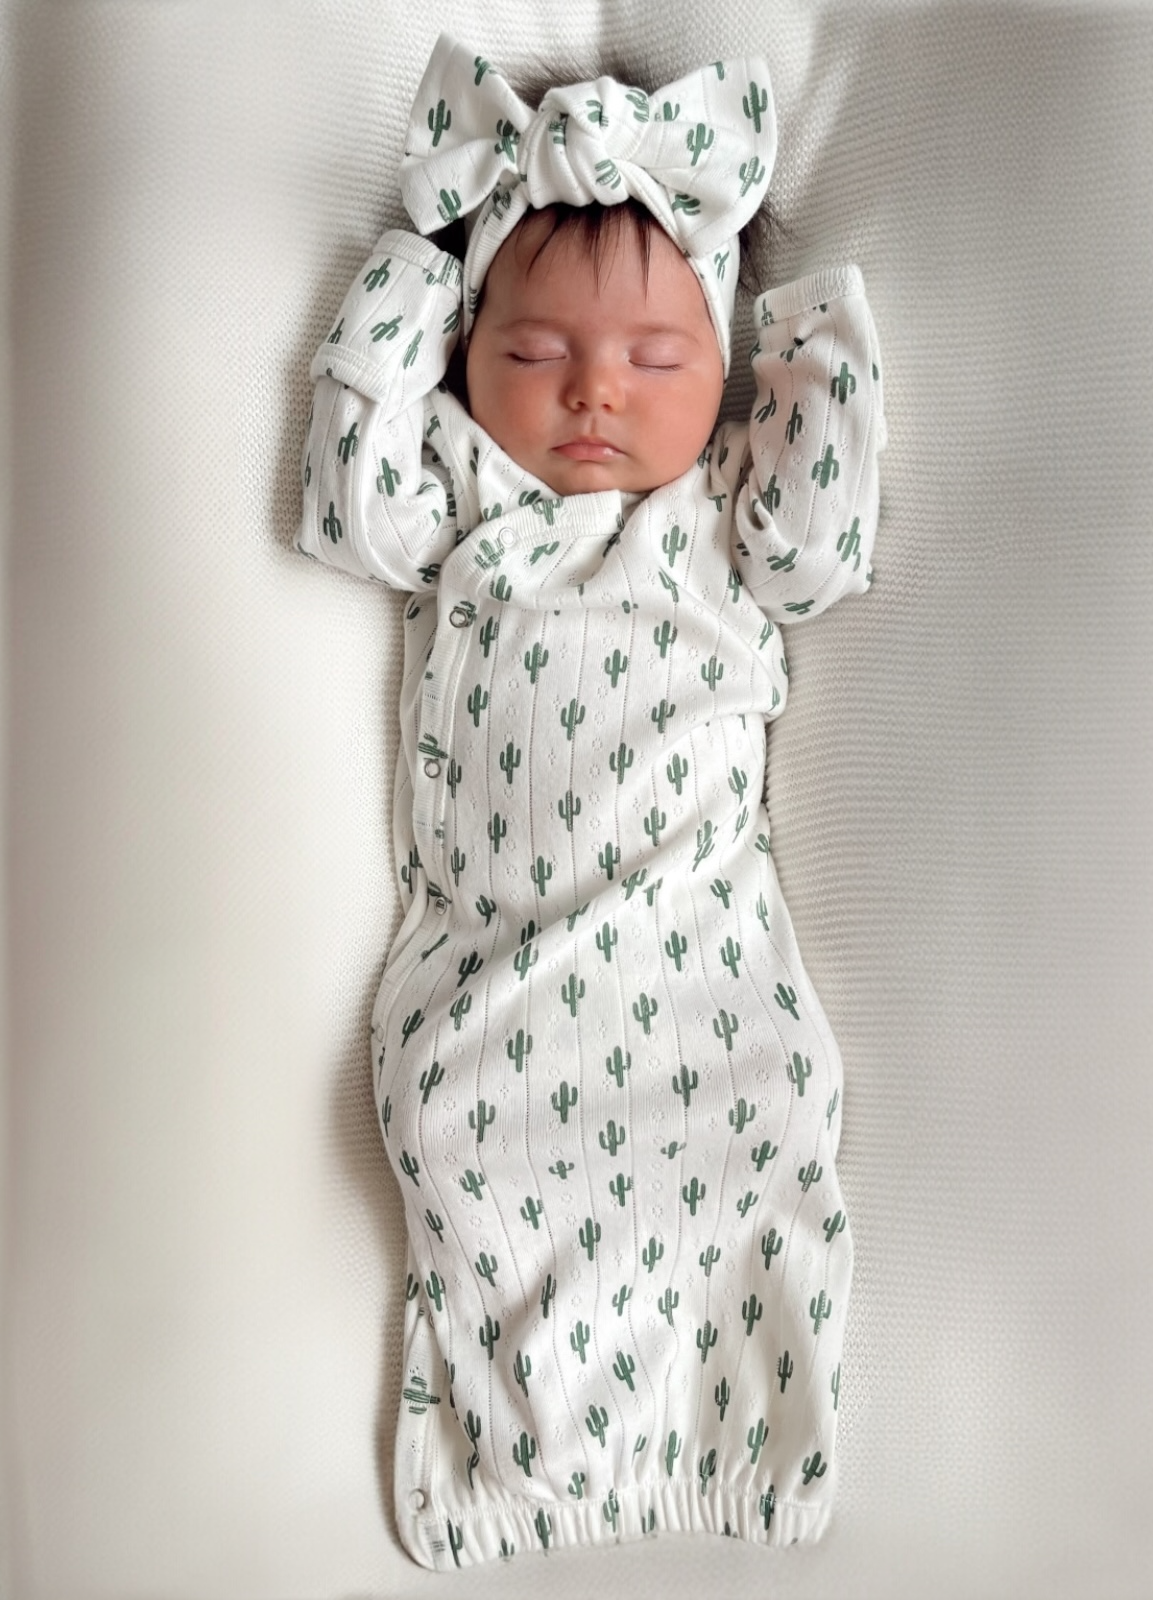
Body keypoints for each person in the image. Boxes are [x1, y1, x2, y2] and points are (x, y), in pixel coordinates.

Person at [296, 33, 886, 1571]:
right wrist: (417, 278)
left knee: (764, 1139)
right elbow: (349, 499)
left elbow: (824, 549)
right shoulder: (468, 504)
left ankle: (743, 1430)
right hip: (492, 971)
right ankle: (504, 1454)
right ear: (467, 369)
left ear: (726, 369)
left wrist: (817, 345)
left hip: (695, 954)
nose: (592, 397)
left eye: (656, 359)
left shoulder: (717, 523)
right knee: (465, 1144)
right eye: (535, 355)